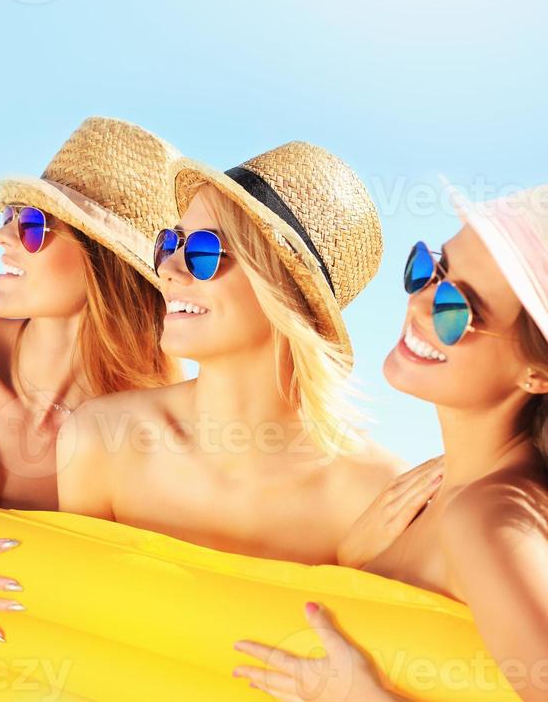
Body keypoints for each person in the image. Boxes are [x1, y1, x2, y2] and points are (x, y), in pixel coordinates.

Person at [233, 184, 548, 702]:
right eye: (431, 269)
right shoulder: (440, 487)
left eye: (457, 307)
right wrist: (350, 561)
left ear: (537, 373)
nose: (422, 304)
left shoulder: (490, 518)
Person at [58, 142, 427, 565]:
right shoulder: (99, 439)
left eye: (203, 253)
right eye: (170, 244)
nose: (169, 269)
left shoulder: (380, 498)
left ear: (285, 292)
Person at [0, 116, 182, 641]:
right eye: (11, 216)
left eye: (32, 226)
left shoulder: (144, 425)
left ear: (105, 262)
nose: (2, 236)